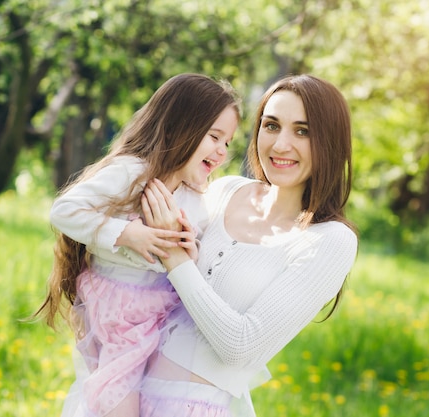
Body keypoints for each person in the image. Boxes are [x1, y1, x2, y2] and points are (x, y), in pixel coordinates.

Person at [138, 74, 359, 417]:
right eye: (271, 126)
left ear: (330, 142)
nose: (280, 144)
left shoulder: (329, 240)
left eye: (303, 131)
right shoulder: (225, 190)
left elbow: (241, 347)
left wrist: (174, 256)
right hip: (131, 388)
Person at [33, 73, 240, 417]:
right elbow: (64, 210)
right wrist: (127, 234)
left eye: (228, 142)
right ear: (179, 128)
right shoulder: (132, 172)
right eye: (214, 137)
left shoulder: (195, 199)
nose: (221, 151)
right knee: (116, 403)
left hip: (158, 315)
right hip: (117, 314)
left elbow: (185, 258)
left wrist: (190, 247)